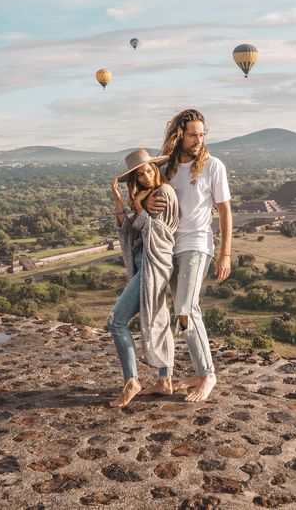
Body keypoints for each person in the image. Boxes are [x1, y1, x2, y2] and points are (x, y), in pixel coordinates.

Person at [146, 108, 232, 402]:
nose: (199, 139)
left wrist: (225, 253)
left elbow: (224, 210)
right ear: (179, 135)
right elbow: (147, 193)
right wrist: (147, 203)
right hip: (169, 245)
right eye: (193, 134)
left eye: (202, 134)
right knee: (180, 309)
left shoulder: (213, 166)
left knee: (185, 307)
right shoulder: (165, 168)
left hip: (198, 244)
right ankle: (196, 372)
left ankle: (208, 375)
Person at [108, 148, 179, 408]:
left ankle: (131, 382)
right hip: (142, 263)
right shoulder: (144, 196)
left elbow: (158, 232)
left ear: (155, 169)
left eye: (149, 169)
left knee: (116, 320)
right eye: (141, 174)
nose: (147, 175)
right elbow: (128, 229)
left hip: (155, 263)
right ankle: (165, 380)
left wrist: (139, 206)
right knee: (159, 317)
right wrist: (120, 200)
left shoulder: (164, 193)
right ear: (135, 179)